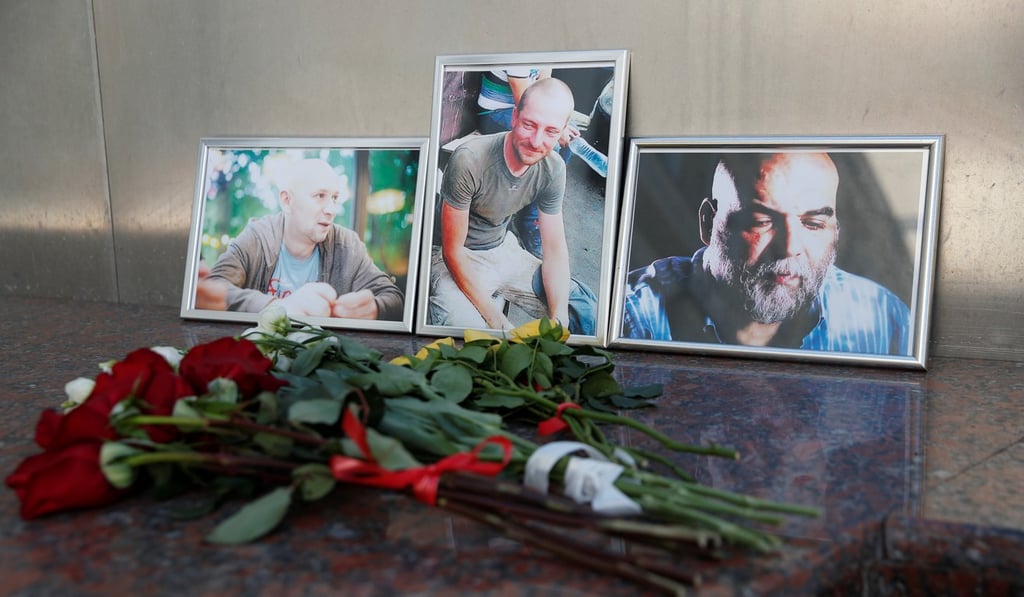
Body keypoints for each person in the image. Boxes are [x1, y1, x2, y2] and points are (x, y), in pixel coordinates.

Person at [621, 152, 911, 355]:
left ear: (835, 231)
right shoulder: (632, 319)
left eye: (813, 223)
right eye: (761, 222)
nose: (789, 248)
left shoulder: (884, 319)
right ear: (708, 223)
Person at [429, 77, 584, 332]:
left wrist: (559, 316)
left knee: (581, 309)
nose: (536, 141)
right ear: (514, 117)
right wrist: (497, 321)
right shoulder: (469, 159)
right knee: (467, 333)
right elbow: (452, 251)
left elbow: (555, 247)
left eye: (551, 131)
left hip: (504, 250)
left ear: (563, 131)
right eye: (529, 125)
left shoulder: (554, 168)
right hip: (456, 256)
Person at [204, 158, 403, 320]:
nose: (332, 210)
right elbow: (213, 288)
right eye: (320, 196)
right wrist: (280, 308)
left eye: (334, 197)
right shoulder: (257, 236)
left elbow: (394, 298)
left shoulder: (347, 244)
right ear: (287, 201)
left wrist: (375, 308)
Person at [477, 67, 580, 258]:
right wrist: (554, 132)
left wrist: (559, 127)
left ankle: (532, 216)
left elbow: (546, 89)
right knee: (551, 148)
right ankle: (529, 221)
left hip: (528, 112)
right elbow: (523, 103)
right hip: (496, 112)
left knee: (568, 144)